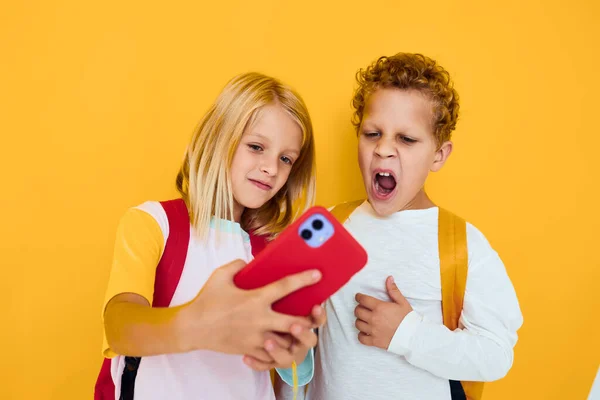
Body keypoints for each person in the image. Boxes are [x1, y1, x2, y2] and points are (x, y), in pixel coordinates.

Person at [99, 72, 325, 400]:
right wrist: (199, 325)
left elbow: (286, 376)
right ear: (218, 137)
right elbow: (118, 327)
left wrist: (296, 357)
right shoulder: (153, 223)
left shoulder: (276, 253)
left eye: (286, 158)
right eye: (256, 147)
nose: (272, 168)